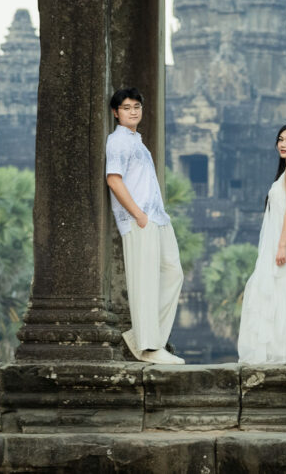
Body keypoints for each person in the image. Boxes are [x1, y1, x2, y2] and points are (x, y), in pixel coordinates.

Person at [105, 87, 185, 364]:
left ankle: (145, 337)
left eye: (136, 106)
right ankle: (149, 346)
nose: (133, 111)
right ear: (116, 113)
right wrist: (138, 215)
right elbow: (113, 180)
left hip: (157, 217)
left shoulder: (137, 142)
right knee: (145, 280)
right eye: (126, 108)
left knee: (173, 273)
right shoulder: (117, 142)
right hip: (140, 219)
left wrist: (152, 215)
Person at [237, 122, 286, 364]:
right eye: (280, 139)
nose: (283, 144)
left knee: (280, 293)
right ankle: (280, 350)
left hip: (285, 244)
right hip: (283, 243)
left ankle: (280, 350)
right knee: (281, 293)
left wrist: (281, 245)